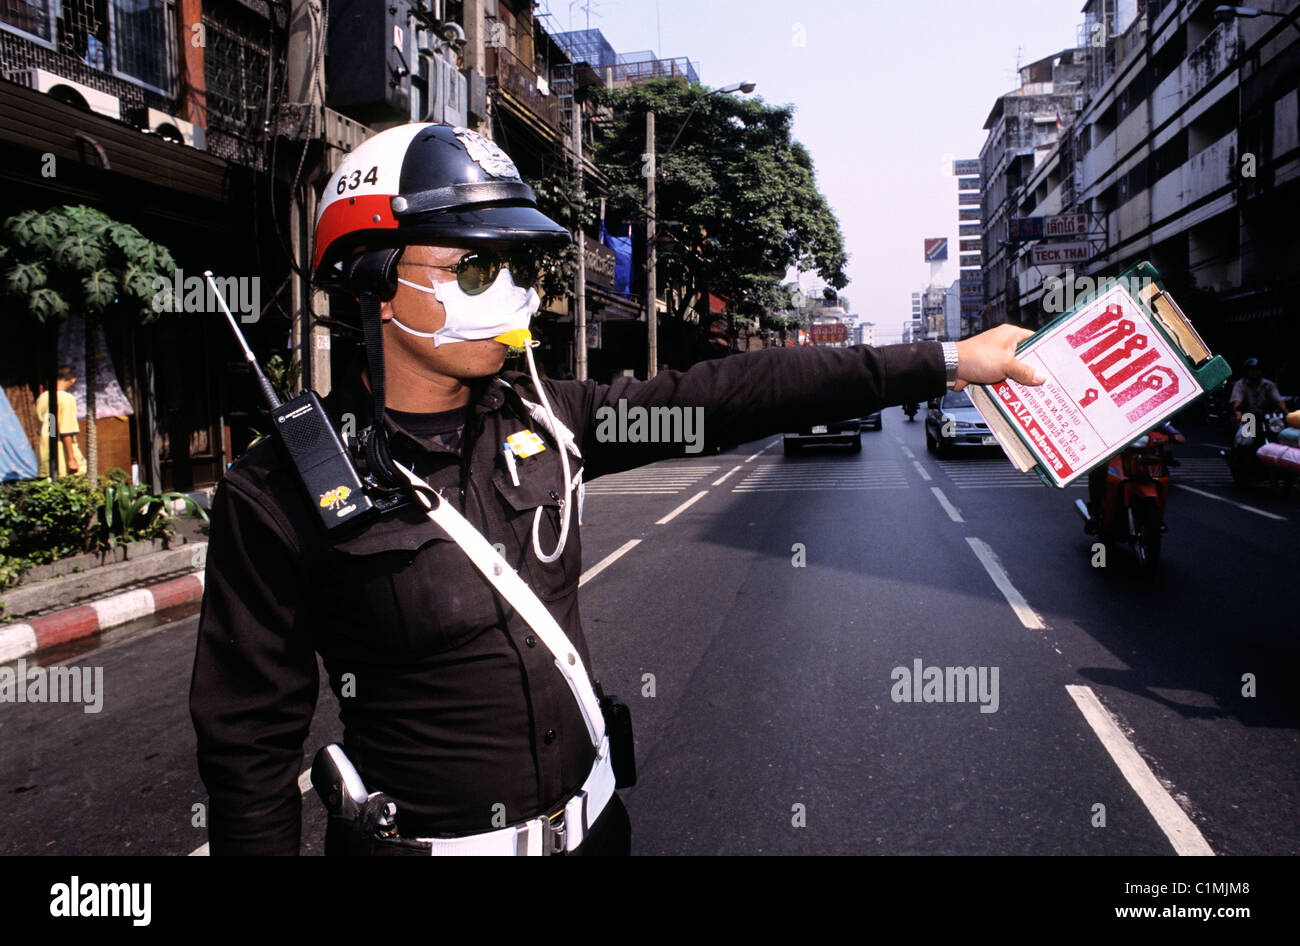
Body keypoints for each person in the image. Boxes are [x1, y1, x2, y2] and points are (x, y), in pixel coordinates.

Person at [189, 122, 1044, 856]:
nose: (515, 293)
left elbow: (733, 394)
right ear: (375, 284)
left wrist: (945, 362)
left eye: (519, 268)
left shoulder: (552, 420)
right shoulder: (281, 492)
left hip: (599, 835)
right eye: (476, 268)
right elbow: (248, 754)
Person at [33, 365, 84, 478]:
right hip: (62, 456)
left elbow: (51, 427)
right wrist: (71, 459)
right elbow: (66, 430)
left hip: (45, 452)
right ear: (72, 380)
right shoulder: (66, 398)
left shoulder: (42, 398)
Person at [1230, 357, 1288, 444]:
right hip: (1248, 417)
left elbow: (1278, 400)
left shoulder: (1268, 385)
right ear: (1247, 371)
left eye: (1257, 370)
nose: (1255, 372)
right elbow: (1237, 402)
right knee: (1246, 440)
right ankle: (1239, 451)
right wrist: (1239, 415)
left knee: (1277, 433)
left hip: (1264, 418)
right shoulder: (1240, 385)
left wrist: (1286, 412)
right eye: (1252, 370)